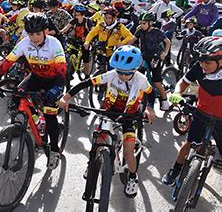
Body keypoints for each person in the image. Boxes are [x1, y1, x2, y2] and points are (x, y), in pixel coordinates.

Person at [60, 45, 156, 197]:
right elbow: (86, 83)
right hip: (108, 112)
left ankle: (132, 177)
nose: (122, 76)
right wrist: (66, 97)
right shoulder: (111, 75)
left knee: (129, 152)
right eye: (119, 71)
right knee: (98, 141)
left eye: (126, 73)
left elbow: (151, 94)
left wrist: (150, 108)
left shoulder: (141, 80)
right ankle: (92, 163)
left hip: (129, 116)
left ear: (135, 69)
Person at [0, 13, 67, 169]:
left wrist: (58, 87)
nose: (34, 37)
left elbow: (61, 70)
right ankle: (36, 120)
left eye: (38, 33)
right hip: (36, 77)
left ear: (45, 31)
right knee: (17, 97)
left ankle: (54, 150)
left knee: (50, 113)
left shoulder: (54, 44)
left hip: (53, 80)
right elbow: (7, 62)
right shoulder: (25, 43)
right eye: (31, 34)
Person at [163, 36, 222, 185]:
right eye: (201, 61)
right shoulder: (199, 67)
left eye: (207, 62)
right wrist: (177, 93)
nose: (203, 66)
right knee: (189, 143)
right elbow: (183, 81)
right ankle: (175, 169)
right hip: (202, 114)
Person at [128, 12, 172, 110]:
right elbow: (132, 40)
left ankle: (164, 99)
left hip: (155, 58)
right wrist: (125, 48)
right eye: (141, 23)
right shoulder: (139, 30)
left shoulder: (156, 32)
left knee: (156, 82)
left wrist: (165, 53)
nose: (142, 25)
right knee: (138, 78)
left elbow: (168, 42)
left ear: (150, 23)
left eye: (144, 23)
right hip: (143, 57)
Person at [63, 4, 94, 76]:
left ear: (81, 13)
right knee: (73, 54)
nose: (74, 13)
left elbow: (93, 32)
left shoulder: (87, 21)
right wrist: (59, 32)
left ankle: (87, 75)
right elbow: (65, 29)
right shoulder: (73, 21)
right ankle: (70, 73)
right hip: (75, 40)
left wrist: (89, 41)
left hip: (85, 41)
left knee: (85, 57)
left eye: (76, 12)